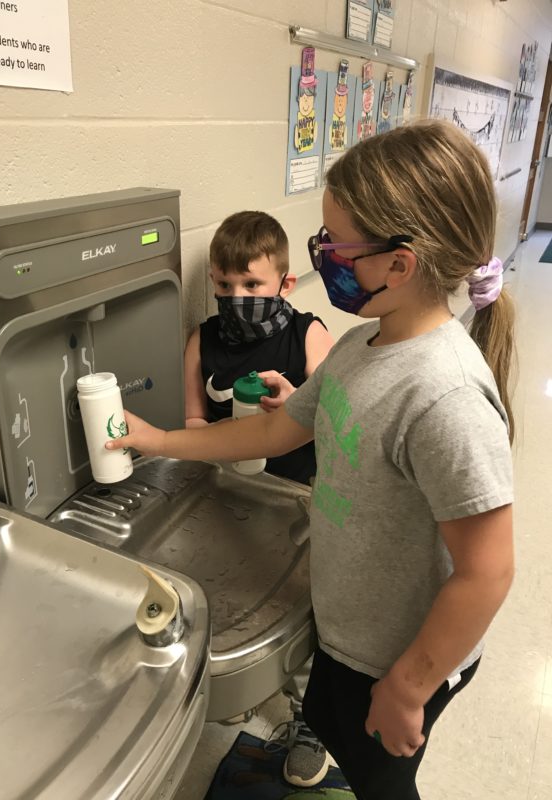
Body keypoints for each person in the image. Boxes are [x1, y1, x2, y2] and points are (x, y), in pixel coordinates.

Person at [107, 119, 515, 799]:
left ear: (399, 263)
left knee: (382, 781)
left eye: (334, 245)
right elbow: (274, 434)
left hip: (400, 653)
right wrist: (158, 440)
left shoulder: (443, 395)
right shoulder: (362, 348)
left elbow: (489, 572)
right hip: (352, 626)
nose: (323, 254)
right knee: (331, 723)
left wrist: (408, 688)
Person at [184, 209, 334, 786]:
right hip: (229, 493)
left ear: (284, 285)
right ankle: (253, 681)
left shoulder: (307, 333)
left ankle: (308, 715)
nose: (236, 296)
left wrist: (295, 402)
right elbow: (193, 418)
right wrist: (215, 441)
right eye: (225, 286)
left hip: (297, 494)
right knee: (244, 597)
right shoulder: (205, 338)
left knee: (302, 609)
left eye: (251, 285)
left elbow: (333, 417)